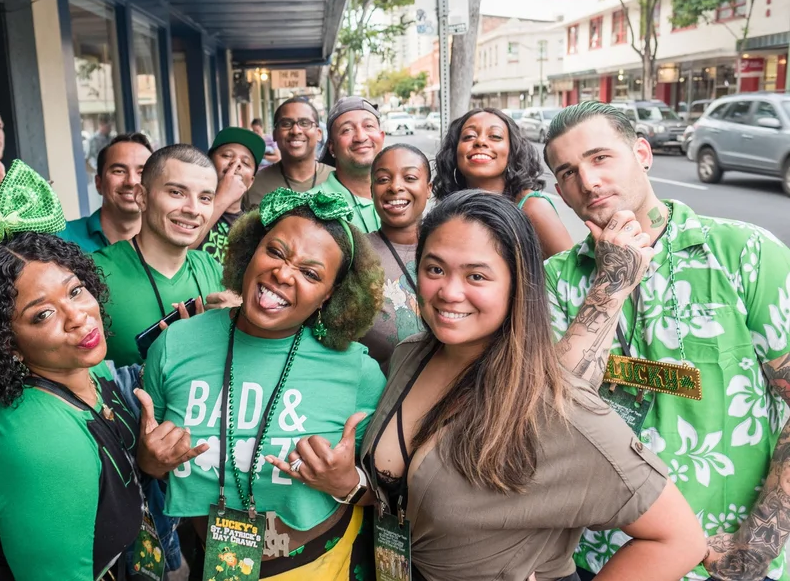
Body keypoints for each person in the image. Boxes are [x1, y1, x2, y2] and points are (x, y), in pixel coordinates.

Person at [280, 189, 706, 581]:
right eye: (435, 268)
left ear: (517, 283)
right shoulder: (411, 355)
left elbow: (680, 540)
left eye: (477, 276)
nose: (449, 291)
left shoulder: (557, 408)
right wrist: (348, 484)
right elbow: (411, 492)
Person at [0, 161, 199, 581]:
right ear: (6, 342)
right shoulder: (42, 443)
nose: (78, 317)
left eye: (76, 291)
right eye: (42, 314)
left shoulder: (93, 372)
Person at [543, 101, 790, 581]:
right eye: (568, 172)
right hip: (604, 556)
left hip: (730, 558)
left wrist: (757, 546)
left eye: (600, 158)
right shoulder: (556, 280)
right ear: (559, 190)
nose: (588, 182)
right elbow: (551, 414)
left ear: (642, 153)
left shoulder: (744, 254)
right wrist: (611, 283)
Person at [142, 188, 386, 580]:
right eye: (275, 252)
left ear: (332, 295)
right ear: (251, 252)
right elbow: (147, 459)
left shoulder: (357, 371)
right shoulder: (175, 344)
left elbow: (399, 497)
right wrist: (150, 462)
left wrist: (347, 483)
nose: (283, 273)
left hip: (324, 566)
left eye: (310, 273)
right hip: (213, 566)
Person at [92, 144, 237, 367]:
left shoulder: (212, 268)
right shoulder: (95, 272)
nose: (193, 209)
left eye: (205, 198)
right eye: (176, 193)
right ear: (141, 197)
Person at [433, 108, 573, 259]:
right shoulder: (449, 208)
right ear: (454, 151)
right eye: (469, 136)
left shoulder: (532, 207)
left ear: (512, 151)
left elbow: (571, 275)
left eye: (495, 136)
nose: (480, 141)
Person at [360, 144, 430, 372]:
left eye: (409, 177)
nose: (396, 187)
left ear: (428, 188)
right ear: (371, 191)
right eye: (382, 179)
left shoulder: (451, 249)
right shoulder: (355, 254)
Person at [59, 132, 153, 252]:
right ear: (99, 183)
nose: (131, 181)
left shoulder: (168, 243)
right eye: (119, 171)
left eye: (141, 172)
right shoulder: (63, 239)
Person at [310, 96, 384, 233]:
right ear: (332, 148)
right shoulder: (313, 207)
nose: (361, 137)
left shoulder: (399, 196)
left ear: (382, 137)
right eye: (347, 130)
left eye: (368, 126)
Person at [195, 126, 266, 264]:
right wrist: (224, 197)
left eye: (245, 163)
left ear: (250, 182)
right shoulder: (192, 206)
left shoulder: (255, 225)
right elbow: (180, 248)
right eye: (227, 156)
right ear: (209, 164)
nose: (236, 163)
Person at [246, 97, 333, 208]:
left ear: (319, 134)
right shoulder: (254, 185)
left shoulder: (338, 179)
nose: (296, 131)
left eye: (304, 123)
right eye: (286, 124)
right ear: (274, 134)